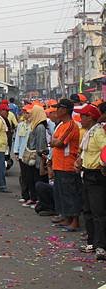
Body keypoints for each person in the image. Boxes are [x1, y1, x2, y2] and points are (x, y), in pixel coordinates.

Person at [75, 104, 106, 259]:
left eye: (83, 116)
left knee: (98, 211)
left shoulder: (99, 132)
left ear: (90, 117)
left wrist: (102, 164)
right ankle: (92, 242)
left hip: (96, 175)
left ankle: (101, 245)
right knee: (88, 210)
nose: (81, 119)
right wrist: (79, 161)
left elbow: (105, 150)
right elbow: (85, 152)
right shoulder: (89, 133)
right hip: (87, 174)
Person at [51, 99, 82, 232]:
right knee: (61, 194)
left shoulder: (71, 125)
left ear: (65, 110)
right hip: (59, 165)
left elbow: (59, 143)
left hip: (67, 165)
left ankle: (75, 221)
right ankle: (66, 218)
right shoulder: (61, 125)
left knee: (70, 194)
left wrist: (54, 142)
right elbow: (54, 140)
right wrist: (54, 141)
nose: (57, 111)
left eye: (59, 108)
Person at [13, 105, 32, 202]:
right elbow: (17, 139)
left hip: (30, 155)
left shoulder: (34, 126)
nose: (25, 114)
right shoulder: (21, 125)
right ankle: (25, 196)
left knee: (30, 176)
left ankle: (31, 196)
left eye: (27, 112)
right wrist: (16, 152)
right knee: (23, 176)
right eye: (24, 112)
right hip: (21, 154)